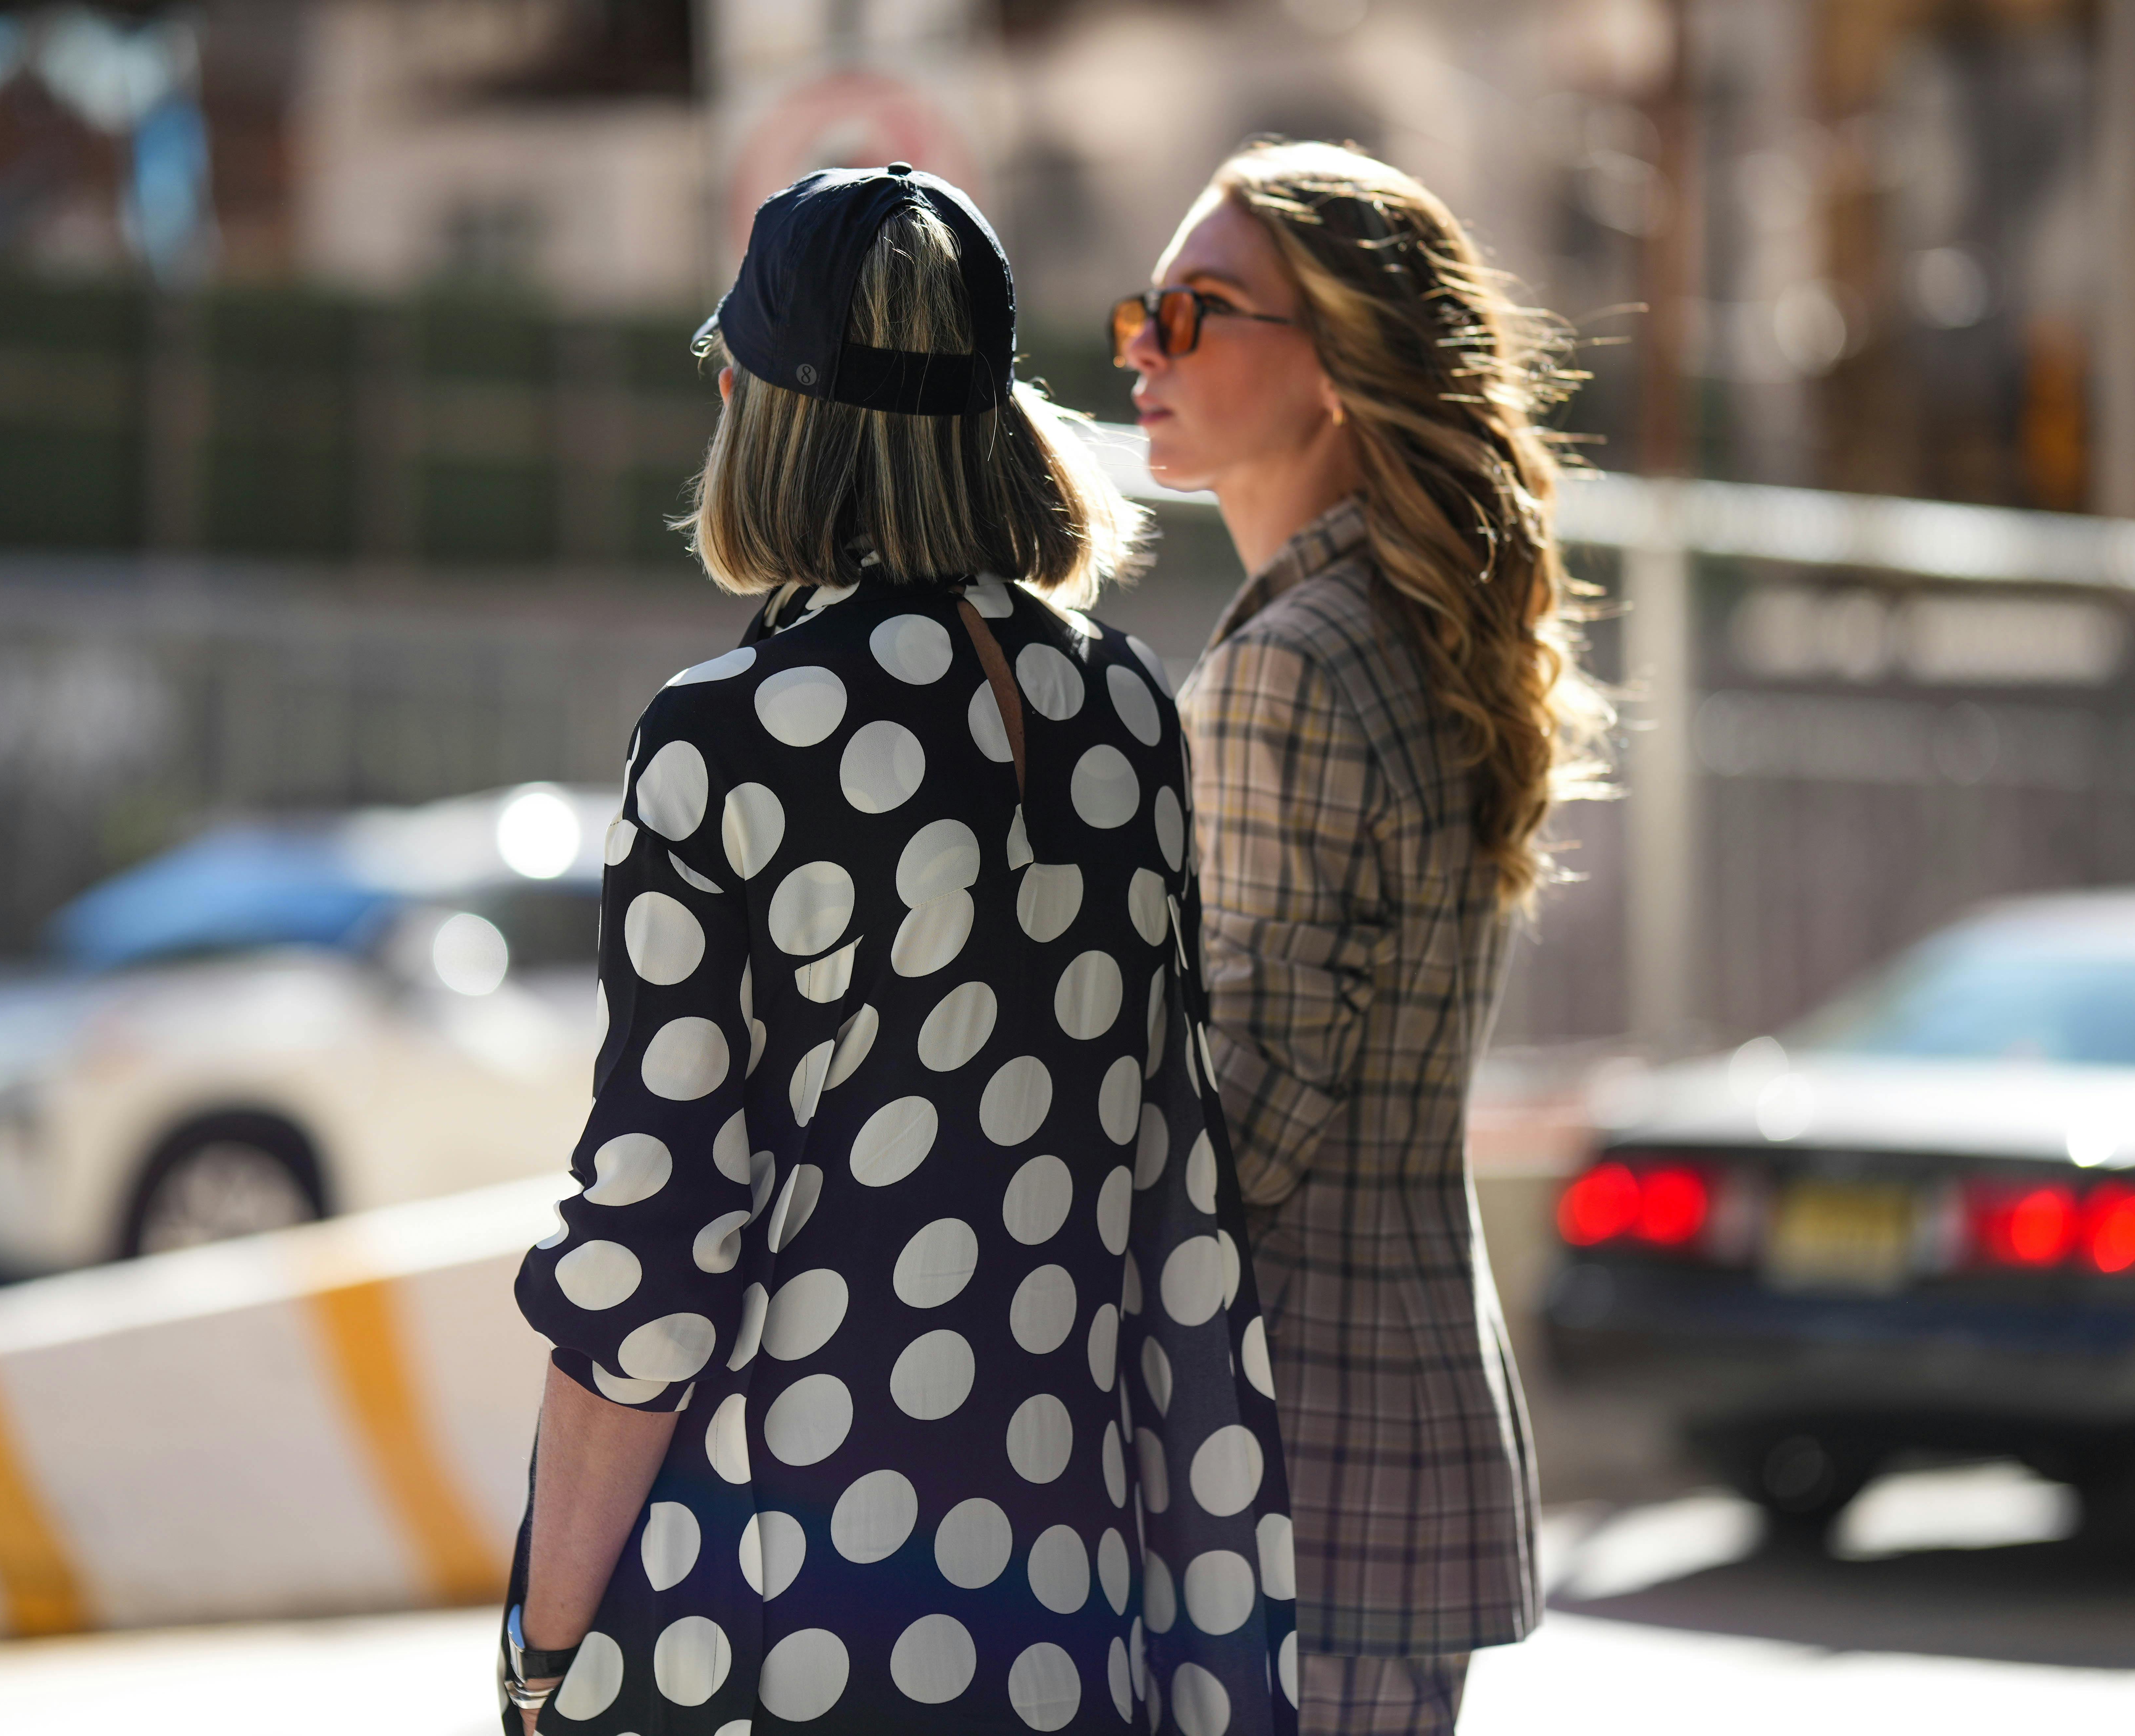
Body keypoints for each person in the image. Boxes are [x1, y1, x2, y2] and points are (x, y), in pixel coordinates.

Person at [501, 163, 1300, 1736]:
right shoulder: (1128, 712)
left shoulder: (728, 740)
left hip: (772, 1618)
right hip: (1066, 1624)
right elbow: (1158, 1195)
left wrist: (546, 1652)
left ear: (766, 405)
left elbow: (653, 1242)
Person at [1114, 140, 1609, 1734]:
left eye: (1197, 312)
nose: (1140, 345)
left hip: (1285, 1463)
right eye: (1146, 308)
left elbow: (1251, 1110)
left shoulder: (1292, 669)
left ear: (1331, 363)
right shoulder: (1395, 629)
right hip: (1386, 1434)